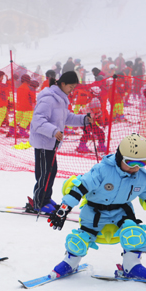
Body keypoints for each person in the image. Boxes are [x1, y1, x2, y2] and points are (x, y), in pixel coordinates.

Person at [46, 134, 146, 281]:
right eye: (131, 162)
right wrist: (63, 210)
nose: (135, 167)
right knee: (78, 240)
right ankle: (70, 263)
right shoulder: (102, 170)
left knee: (134, 234)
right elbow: (80, 188)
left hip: (121, 213)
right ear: (120, 157)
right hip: (94, 214)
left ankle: (131, 266)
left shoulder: (141, 178)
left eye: (142, 163)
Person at [27, 70, 89, 214]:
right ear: (63, 83)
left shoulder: (61, 99)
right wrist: (54, 131)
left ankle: (46, 198)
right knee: (45, 174)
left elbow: (66, 118)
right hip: (43, 142)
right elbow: (38, 120)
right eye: (70, 87)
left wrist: (84, 120)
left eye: (73, 88)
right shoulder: (49, 99)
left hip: (51, 143)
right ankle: (39, 202)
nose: (71, 90)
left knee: (51, 172)